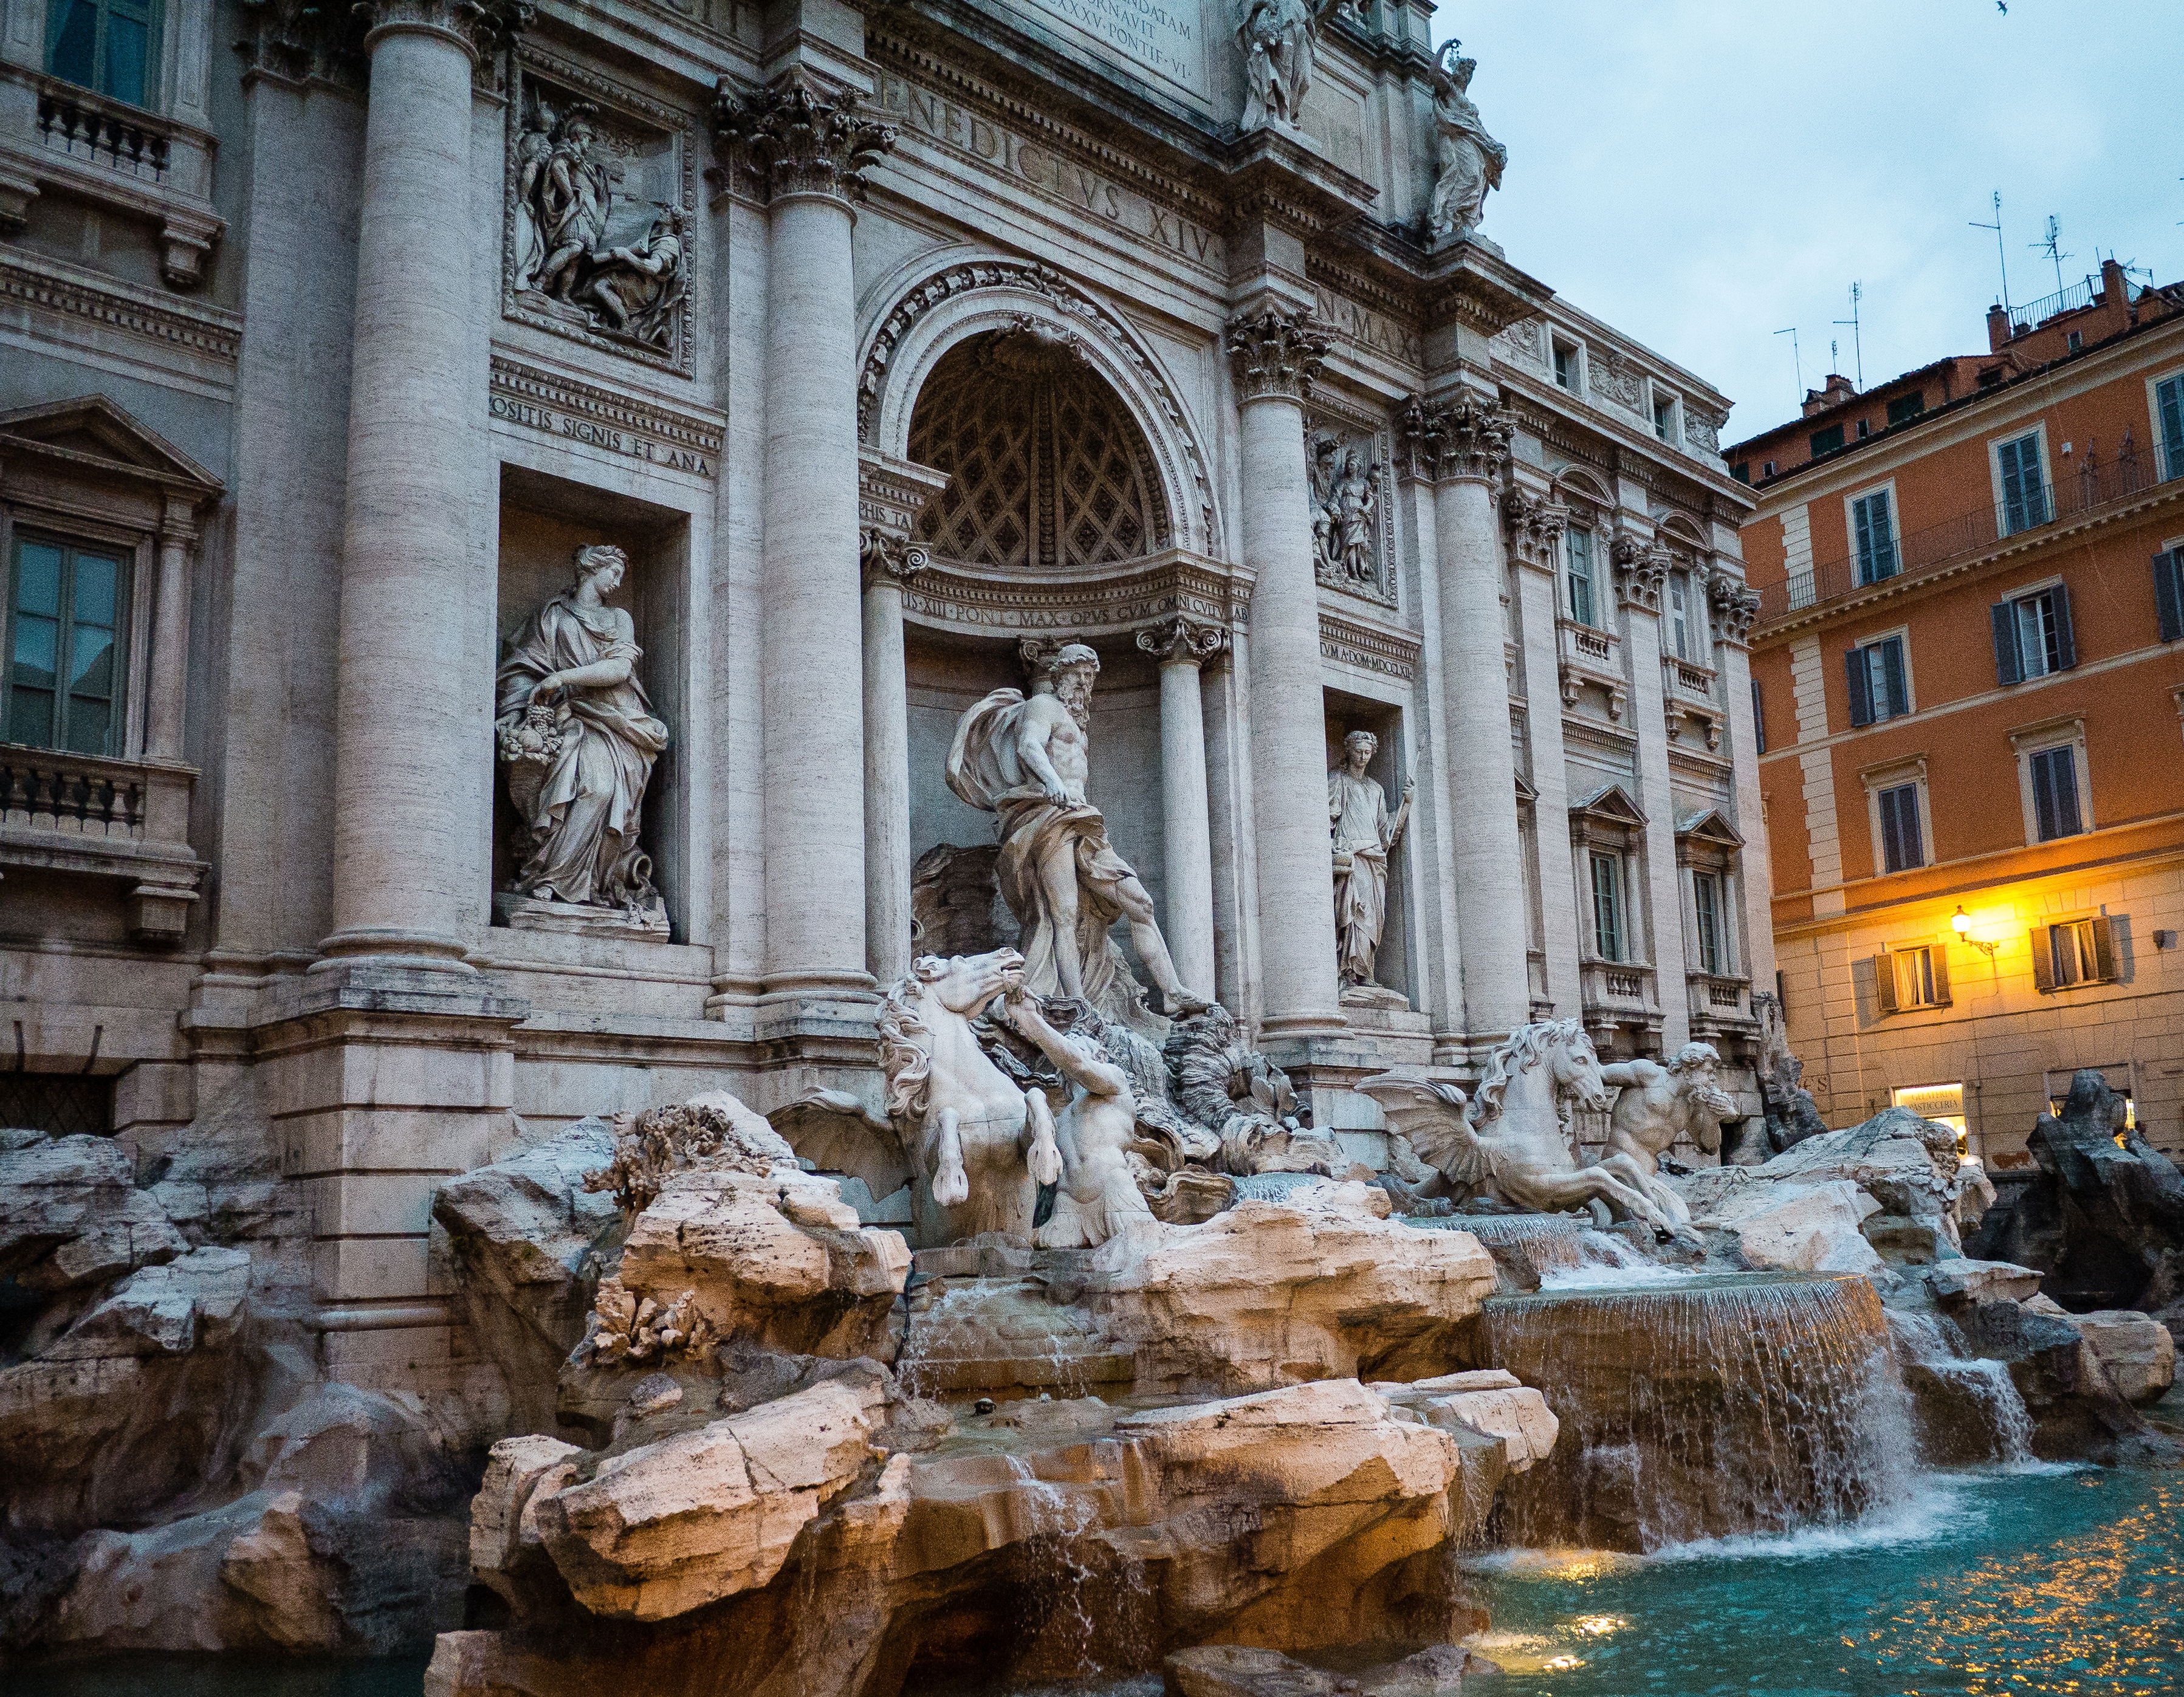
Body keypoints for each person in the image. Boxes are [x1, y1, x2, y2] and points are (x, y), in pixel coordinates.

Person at [947, 643, 1211, 1034]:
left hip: (1083, 821)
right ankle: (1077, 1004)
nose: (1085, 684)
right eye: (1079, 675)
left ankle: (1171, 992)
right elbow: (1028, 746)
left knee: (1140, 901)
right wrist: (1053, 784)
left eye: (1090, 677)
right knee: (1063, 915)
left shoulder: (1075, 720)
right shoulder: (1044, 706)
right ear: (1061, 675)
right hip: (1049, 817)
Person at [494, 546, 669, 912]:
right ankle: (550, 877)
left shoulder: (619, 618)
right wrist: (516, 711)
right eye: (613, 572)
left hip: (618, 718)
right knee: (580, 786)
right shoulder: (552, 617)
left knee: (602, 789)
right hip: (567, 718)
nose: (619, 581)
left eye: (623, 574)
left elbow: (619, 671)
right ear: (591, 569)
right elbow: (522, 668)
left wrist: (561, 677)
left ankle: (594, 882)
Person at [1328, 730, 1411, 991]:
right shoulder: (1337, 780)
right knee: (1354, 914)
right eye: (1358, 751)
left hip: (1375, 860)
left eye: (1367, 753)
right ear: (1348, 751)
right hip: (1353, 856)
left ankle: (1367, 972)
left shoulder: (1376, 789)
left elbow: (1386, 833)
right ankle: (1349, 973)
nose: (1363, 757)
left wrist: (1406, 804)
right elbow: (1327, 818)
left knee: (1374, 919)